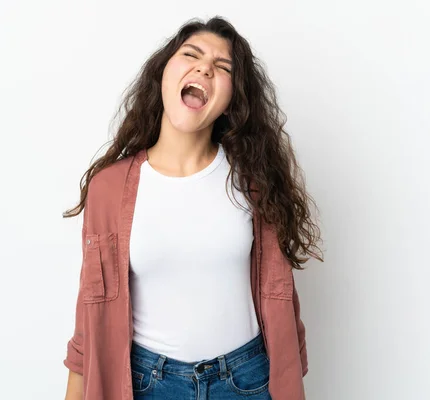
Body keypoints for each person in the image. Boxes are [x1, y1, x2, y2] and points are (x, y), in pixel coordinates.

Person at [62, 16, 323, 400]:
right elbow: (90, 317)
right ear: (163, 72)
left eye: (223, 67)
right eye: (192, 55)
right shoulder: (109, 189)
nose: (205, 67)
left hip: (247, 380)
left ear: (234, 98)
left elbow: (282, 300)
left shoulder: (254, 181)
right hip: (147, 383)